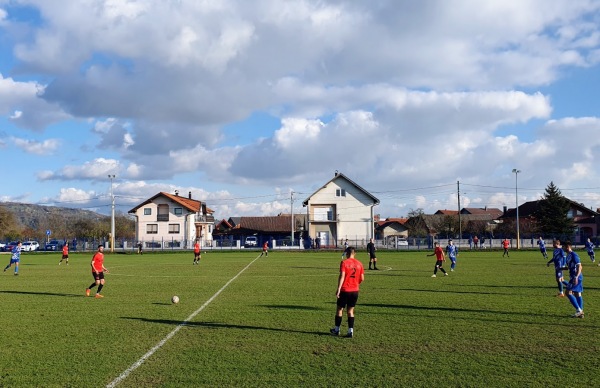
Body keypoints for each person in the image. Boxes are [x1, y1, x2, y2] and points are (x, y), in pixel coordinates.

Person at [330, 247, 364, 338]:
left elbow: (342, 276)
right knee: (350, 311)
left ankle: (336, 329)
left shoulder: (344, 263)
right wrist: (355, 284)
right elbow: (362, 278)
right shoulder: (360, 264)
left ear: (347, 253)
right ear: (354, 253)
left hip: (345, 290)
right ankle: (350, 331)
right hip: (355, 291)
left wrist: (339, 289)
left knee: (340, 309)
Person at [563, 241, 584, 318]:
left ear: (568, 247)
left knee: (568, 292)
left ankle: (579, 310)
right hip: (573, 276)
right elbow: (570, 267)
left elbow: (579, 267)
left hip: (576, 277)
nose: (563, 248)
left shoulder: (574, 255)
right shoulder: (568, 256)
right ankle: (581, 312)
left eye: (564, 247)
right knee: (577, 293)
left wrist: (576, 277)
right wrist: (562, 268)